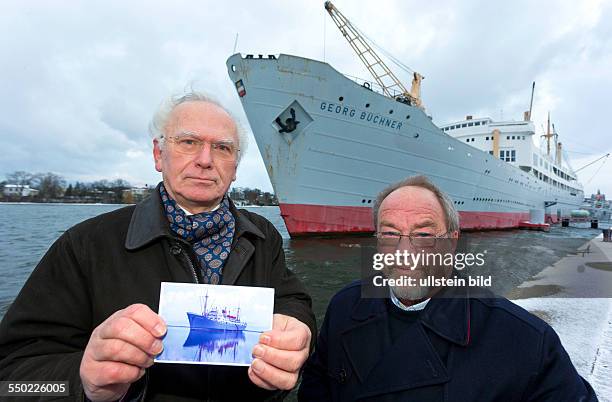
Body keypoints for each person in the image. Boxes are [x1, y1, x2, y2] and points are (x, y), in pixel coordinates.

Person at [0, 91, 315, 401]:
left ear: (235, 167)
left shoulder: (262, 235)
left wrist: (299, 330)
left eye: (222, 148)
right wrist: (81, 379)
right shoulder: (85, 245)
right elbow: (10, 382)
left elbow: (291, 298)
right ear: (157, 154)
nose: (205, 160)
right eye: (188, 142)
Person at [298, 175, 597, 401]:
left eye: (424, 234)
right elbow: (316, 386)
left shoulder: (526, 341)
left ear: (452, 241)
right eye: (390, 234)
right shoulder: (344, 306)